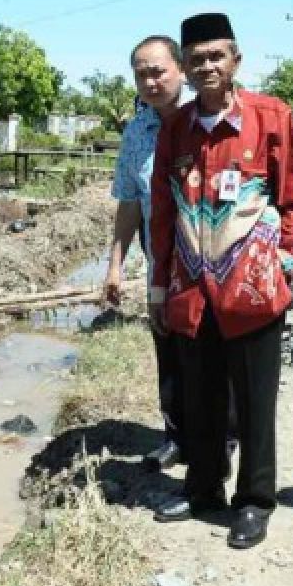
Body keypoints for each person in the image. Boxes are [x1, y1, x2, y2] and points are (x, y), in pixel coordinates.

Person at [148, 12, 293, 549]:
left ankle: (255, 501)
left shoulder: (270, 117)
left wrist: (283, 263)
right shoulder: (176, 128)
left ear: (236, 60)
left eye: (216, 56)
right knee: (201, 397)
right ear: (187, 69)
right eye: (197, 59)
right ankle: (202, 489)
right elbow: (162, 211)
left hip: (254, 291)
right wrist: (159, 284)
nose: (207, 66)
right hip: (193, 290)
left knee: (255, 400)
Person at [105, 36, 192, 471]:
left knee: (212, 354)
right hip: (161, 263)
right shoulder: (137, 132)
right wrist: (115, 267)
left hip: (211, 265)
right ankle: (175, 436)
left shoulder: (206, 120)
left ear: (180, 69)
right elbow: (129, 202)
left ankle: (225, 439)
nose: (151, 81)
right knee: (169, 350)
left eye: (158, 70)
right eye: (142, 74)